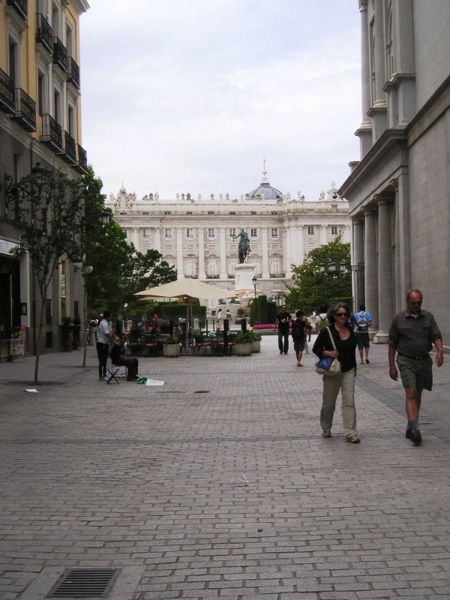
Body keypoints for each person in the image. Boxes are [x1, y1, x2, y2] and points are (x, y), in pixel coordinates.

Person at [388, 289, 444, 446]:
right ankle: (415, 430)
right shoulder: (399, 319)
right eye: (413, 303)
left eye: (419, 303)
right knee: (410, 392)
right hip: (406, 361)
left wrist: (440, 350)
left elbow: (436, 335)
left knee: (417, 394)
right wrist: (392, 366)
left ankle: (411, 423)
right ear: (407, 302)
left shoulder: (428, 317)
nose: (416, 305)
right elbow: (392, 344)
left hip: (424, 361)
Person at [312, 302, 360, 443]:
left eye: (345, 314)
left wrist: (355, 366)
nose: (343, 316)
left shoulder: (350, 330)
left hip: (348, 370)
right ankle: (326, 427)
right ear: (334, 316)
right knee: (329, 403)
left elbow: (352, 350)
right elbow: (316, 348)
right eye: (340, 314)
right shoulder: (326, 331)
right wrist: (327, 352)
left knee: (349, 401)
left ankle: (350, 432)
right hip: (333, 371)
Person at [96, 310, 115, 381]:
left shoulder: (107, 323)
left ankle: (104, 374)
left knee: (105, 359)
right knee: (102, 360)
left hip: (105, 343)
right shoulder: (103, 323)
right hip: (101, 343)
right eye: (111, 316)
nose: (112, 317)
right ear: (108, 316)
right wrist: (112, 341)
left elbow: (111, 332)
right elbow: (107, 334)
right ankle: (102, 375)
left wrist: (115, 338)